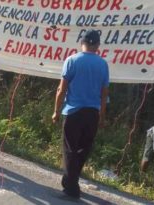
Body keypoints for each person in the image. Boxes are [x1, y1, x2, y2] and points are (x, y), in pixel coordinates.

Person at [52, 29, 109, 199]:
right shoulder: (102, 64)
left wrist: (56, 110)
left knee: (70, 150)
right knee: (83, 150)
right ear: (97, 45)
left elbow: (62, 89)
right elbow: (104, 93)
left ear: (81, 43)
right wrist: (102, 115)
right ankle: (72, 182)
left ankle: (71, 189)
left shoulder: (72, 60)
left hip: (73, 112)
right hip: (92, 113)